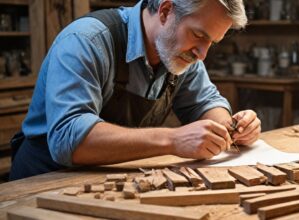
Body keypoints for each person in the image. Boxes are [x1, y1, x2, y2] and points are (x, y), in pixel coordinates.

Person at [9, 0, 261, 180]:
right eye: (198, 35)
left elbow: (206, 102)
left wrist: (230, 128)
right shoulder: (85, 41)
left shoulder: (181, 53)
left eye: (212, 43)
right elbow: (68, 138)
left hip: (107, 180)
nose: (202, 54)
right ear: (165, 11)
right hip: (42, 183)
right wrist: (173, 140)